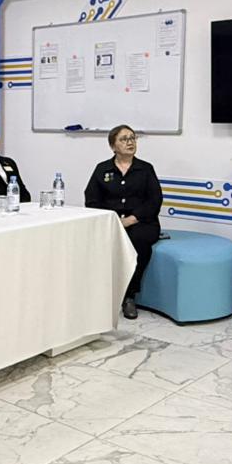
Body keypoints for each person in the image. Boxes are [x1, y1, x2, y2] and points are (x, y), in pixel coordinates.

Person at [83, 125, 162, 319]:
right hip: (111, 221)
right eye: (124, 139)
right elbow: (91, 199)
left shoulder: (145, 169)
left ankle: (129, 296)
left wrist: (132, 219)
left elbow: (155, 200)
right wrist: (113, 219)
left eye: (132, 138)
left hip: (141, 222)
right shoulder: (102, 169)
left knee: (138, 243)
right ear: (113, 146)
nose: (130, 142)